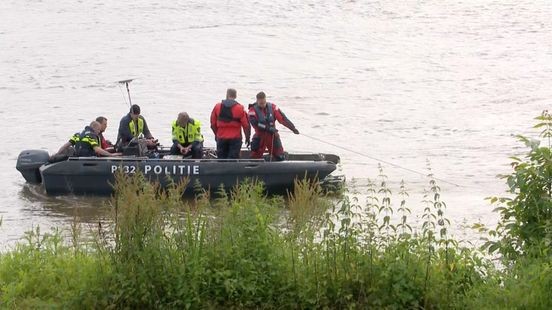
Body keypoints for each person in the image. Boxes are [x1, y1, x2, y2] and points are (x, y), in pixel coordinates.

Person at [248, 91, 299, 161]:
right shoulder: (252, 110)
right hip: (260, 136)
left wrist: (293, 128)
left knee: (280, 156)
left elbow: (283, 119)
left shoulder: (272, 107)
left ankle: (272, 159)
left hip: (272, 135)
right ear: (257, 101)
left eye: (264, 102)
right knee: (255, 157)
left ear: (266, 100)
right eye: (261, 103)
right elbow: (255, 123)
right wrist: (268, 128)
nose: (263, 105)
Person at [210, 88, 251, 159]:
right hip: (235, 139)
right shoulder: (240, 108)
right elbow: (246, 126)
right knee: (233, 160)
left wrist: (217, 134)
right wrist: (247, 138)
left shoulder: (217, 107)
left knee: (221, 159)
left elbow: (213, 124)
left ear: (227, 95)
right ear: (235, 96)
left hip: (221, 137)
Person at [55, 121, 120, 158]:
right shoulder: (91, 136)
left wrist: (57, 154)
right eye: (98, 130)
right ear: (94, 128)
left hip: (77, 158)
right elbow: (97, 150)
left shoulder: (77, 134)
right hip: (88, 158)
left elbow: (65, 146)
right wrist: (111, 155)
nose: (98, 132)